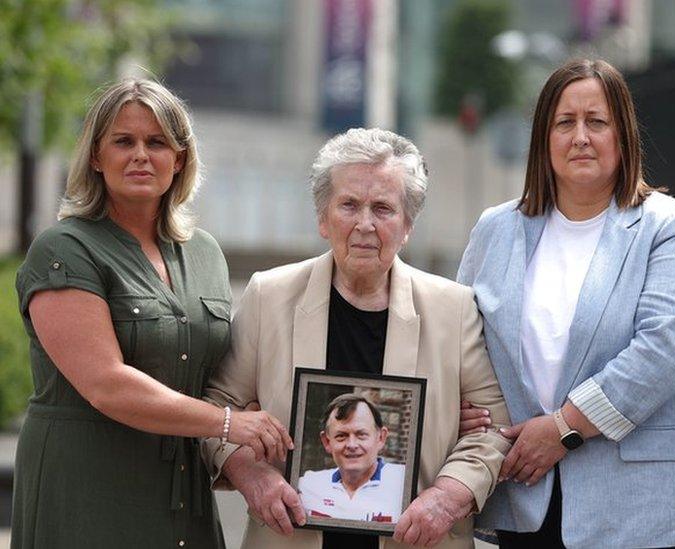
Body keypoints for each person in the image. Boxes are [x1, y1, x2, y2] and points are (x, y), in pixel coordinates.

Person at [11, 79, 292, 549]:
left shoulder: (206, 254)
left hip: (182, 498)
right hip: (87, 495)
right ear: (96, 157)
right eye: (124, 141)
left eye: (157, 142)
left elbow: (228, 376)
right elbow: (106, 384)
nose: (141, 154)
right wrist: (228, 423)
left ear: (179, 158)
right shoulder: (62, 249)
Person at [202, 127, 512, 549]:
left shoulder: (453, 309)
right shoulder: (268, 297)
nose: (365, 223)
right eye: (349, 204)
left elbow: (492, 429)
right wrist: (250, 474)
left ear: (407, 226)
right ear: (323, 218)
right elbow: (217, 409)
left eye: (383, 208)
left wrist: (448, 496)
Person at [457, 58, 675, 548]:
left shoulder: (671, 227)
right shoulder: (496, 229)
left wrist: (563, 429)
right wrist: (466, 407)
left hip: (639, 510)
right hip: (524, 498)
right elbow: (463, 341)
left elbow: (666, 350)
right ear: (543, 138)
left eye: (597, 122)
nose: (580, 137)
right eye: (564, 123)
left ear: (623, 136)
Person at [298, 394, 406, 522]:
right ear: (327, 442)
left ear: (381, 438)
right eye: (341, 436)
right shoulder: (308, 485)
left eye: (361, 435)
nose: (352, 445)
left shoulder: (405, 482)